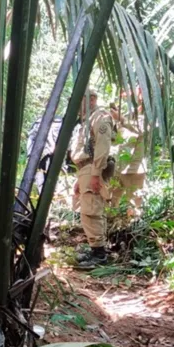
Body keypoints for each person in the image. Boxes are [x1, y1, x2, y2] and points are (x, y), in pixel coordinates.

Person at [72, 89, 113, 268]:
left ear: (92, 100)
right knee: (88, 209)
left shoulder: (100, 117)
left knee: (92, 209)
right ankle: (96, 248)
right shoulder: (87, 120)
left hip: (93, 168)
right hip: (86, 169)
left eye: (80, 100)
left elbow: (102, 147)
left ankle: (99, 254)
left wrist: (95, 174)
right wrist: (80, 177)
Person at [110, 96, 146, 216]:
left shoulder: (142, 120)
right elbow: (115, 141)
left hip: (133, 170)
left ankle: (135, 228)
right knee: (111, 199)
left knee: (134, 202)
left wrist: (121, 119)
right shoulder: (123, 122)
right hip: (118, 168)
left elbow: (139, 130)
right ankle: (111, 224)